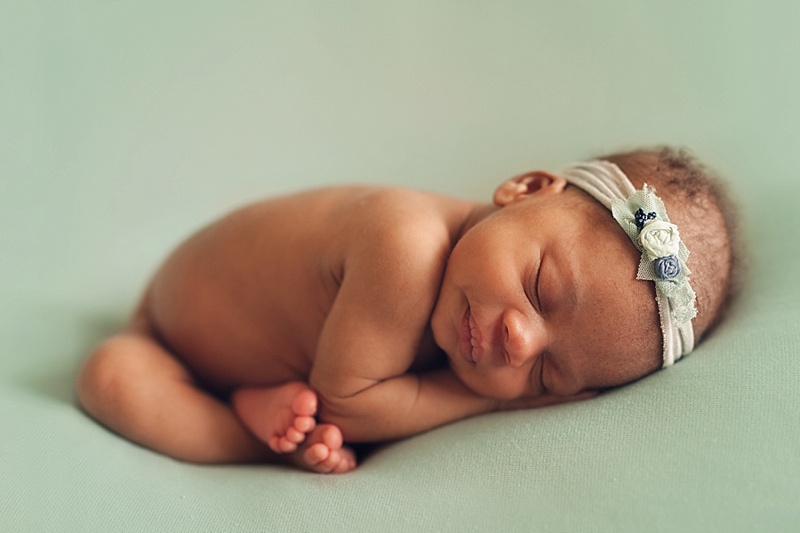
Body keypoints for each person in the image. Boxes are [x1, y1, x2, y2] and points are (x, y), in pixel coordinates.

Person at [76, 147, 739, 474]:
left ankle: (265, 402)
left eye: (547, 375)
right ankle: (248, 424)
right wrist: (496, 401)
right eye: (539, 288)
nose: (518, 341)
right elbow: (349, 406)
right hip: (166, 333)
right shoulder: (407, 246)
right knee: (112, 377)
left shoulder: (464, 299)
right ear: (525, 189)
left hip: (279, 356)